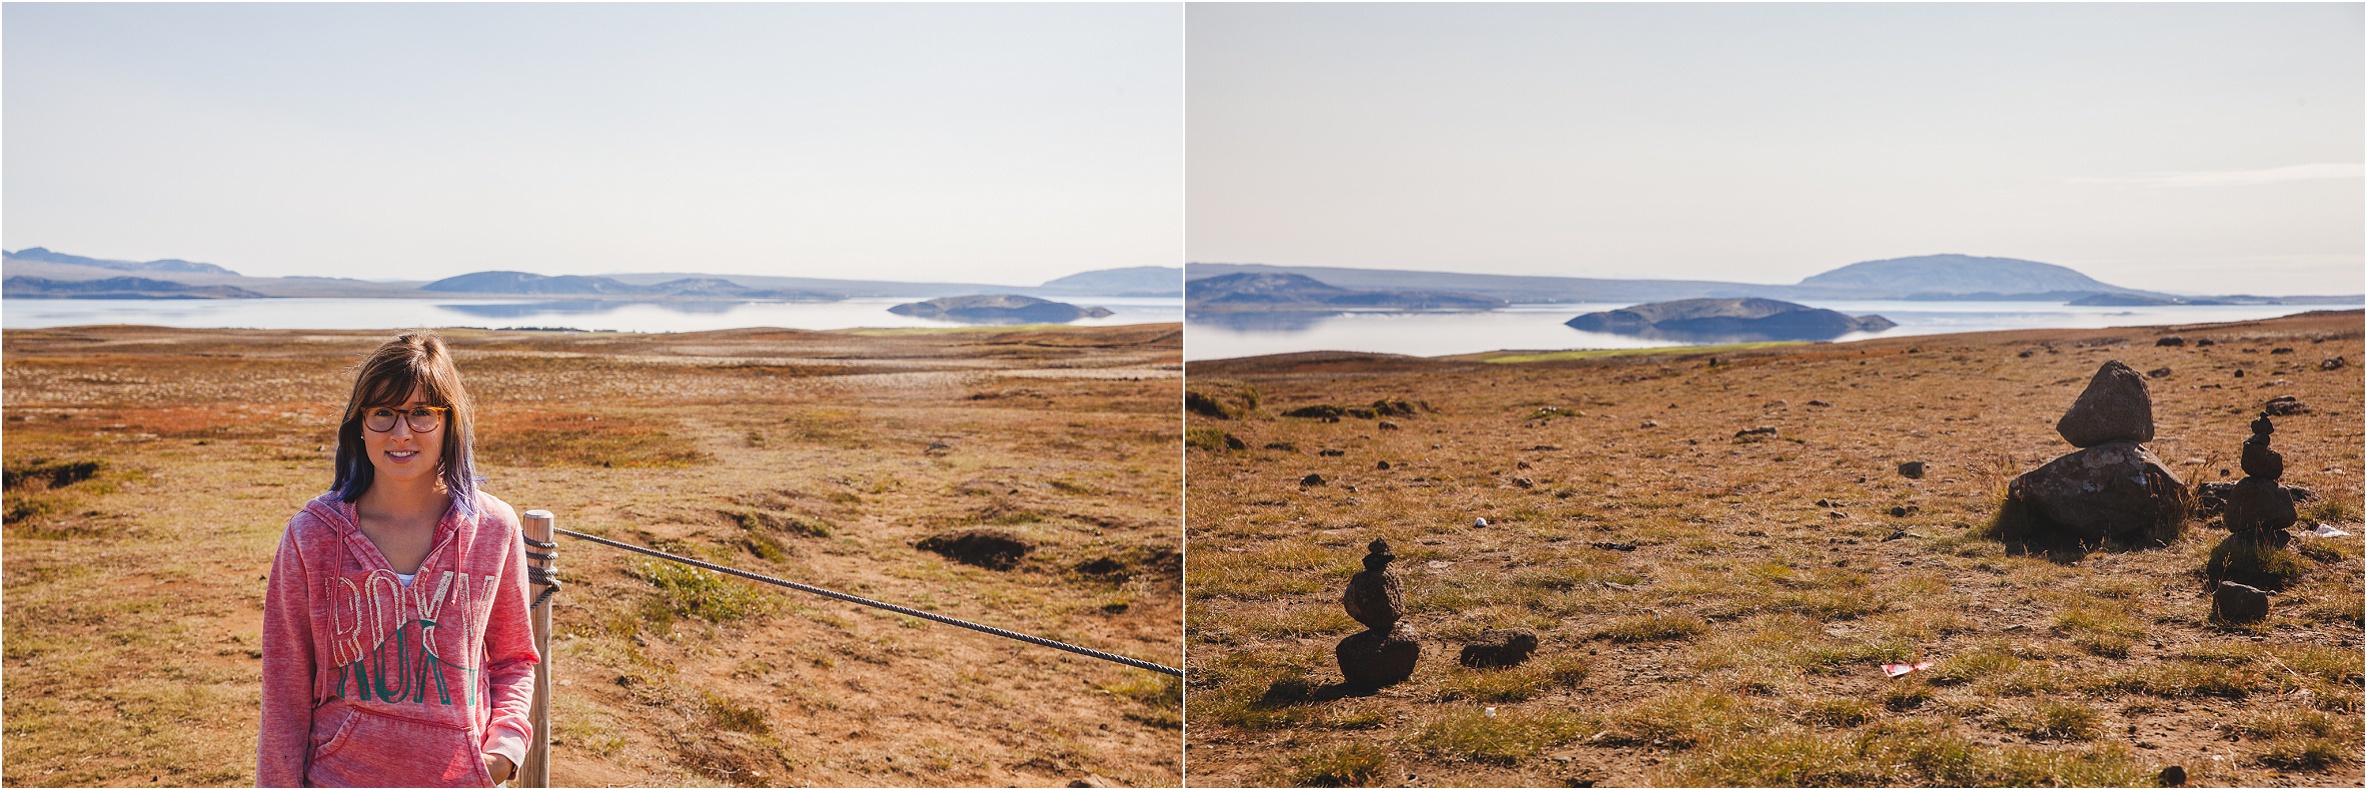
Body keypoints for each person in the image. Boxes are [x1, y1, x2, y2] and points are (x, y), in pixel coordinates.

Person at [258, 332, 538, 787]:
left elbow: (512, 658)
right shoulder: (311, 535)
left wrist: (502, 752)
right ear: (360, 424)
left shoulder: (493, 528)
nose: (401, 432)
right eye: (383, 412)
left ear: (450, 423)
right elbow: (284, 690)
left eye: (422, 413)